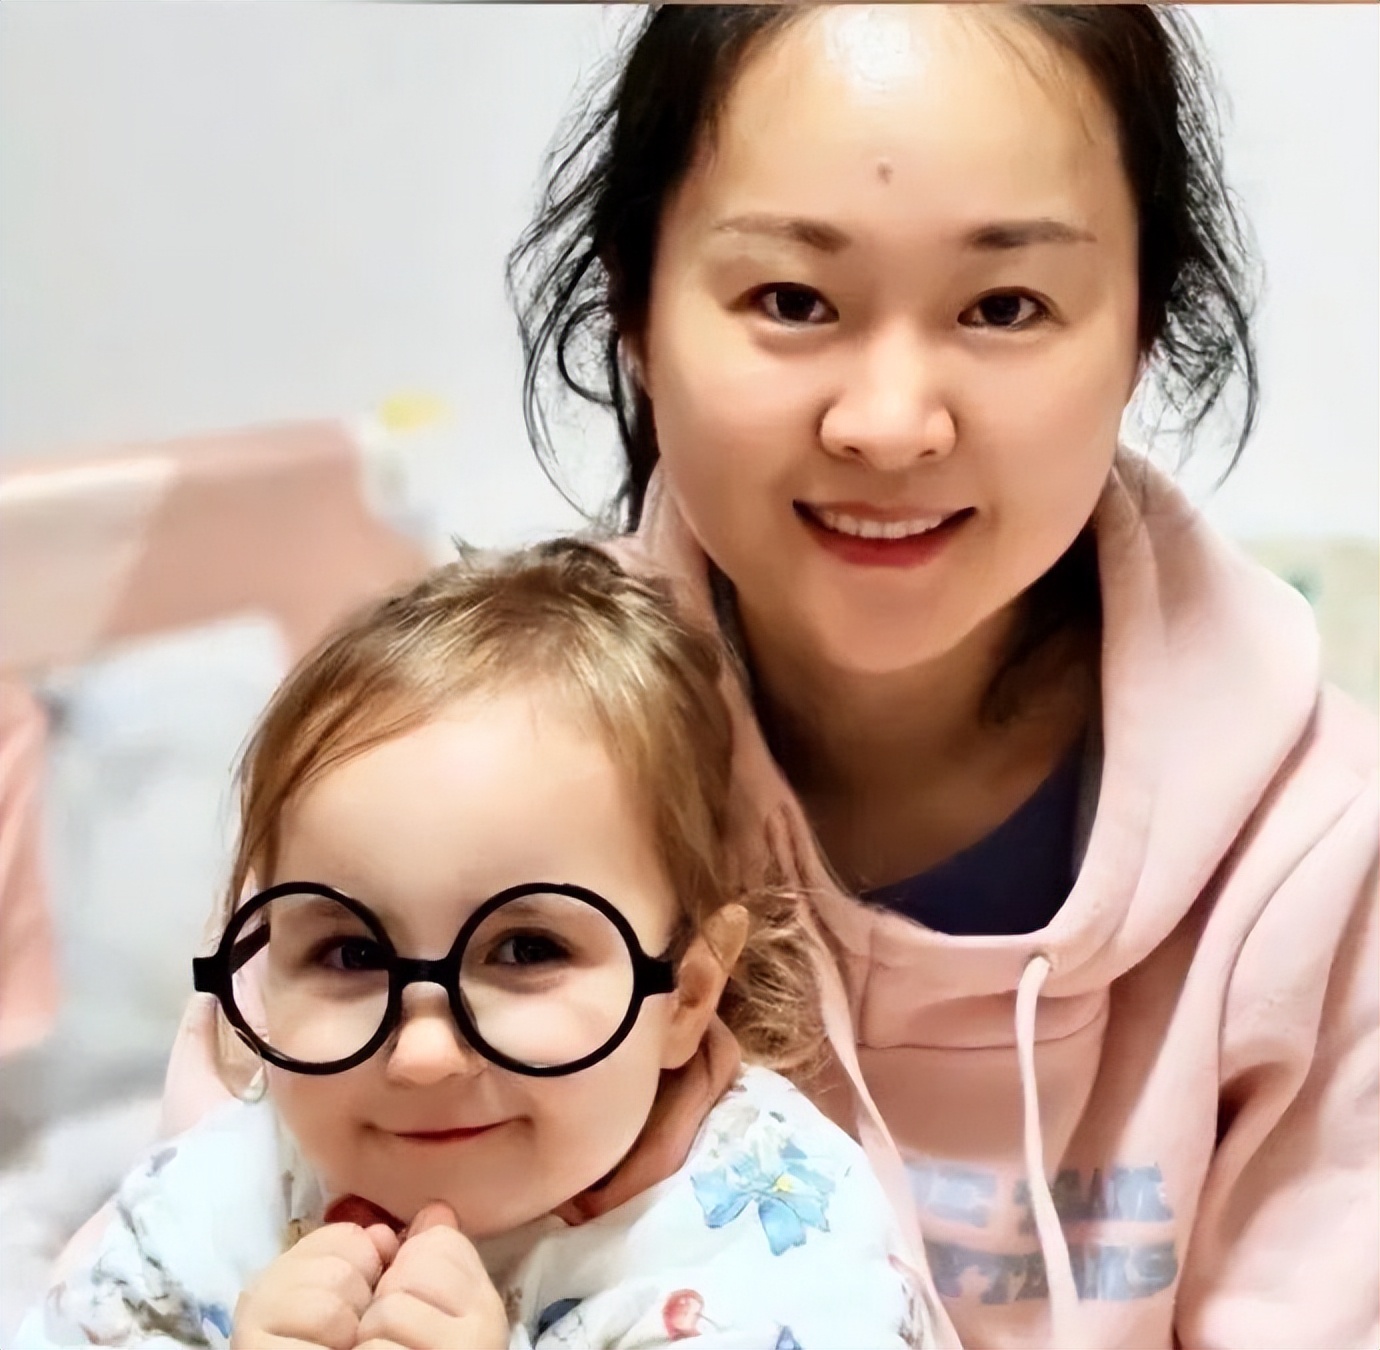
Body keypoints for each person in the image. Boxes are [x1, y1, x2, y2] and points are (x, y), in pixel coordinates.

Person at [501, 6, 1380, 1349]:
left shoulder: (1322, 857)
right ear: (634, 306)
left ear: (1143, 328)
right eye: (792, 300)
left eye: (1005, 306)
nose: (890, 425)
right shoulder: (441, 785)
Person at [16, 542, 929, 1350]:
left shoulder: (772, 1240)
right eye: (351, 956)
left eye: (526, 950)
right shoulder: (228, 1189)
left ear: (685, 995)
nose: (421, 1054)